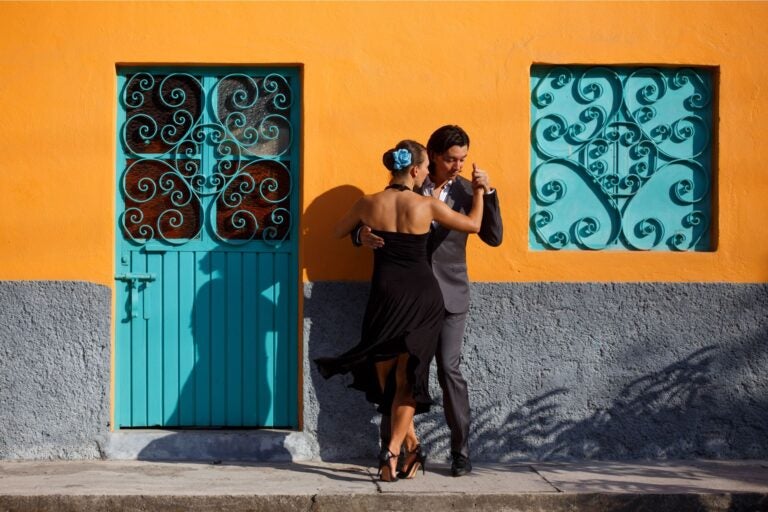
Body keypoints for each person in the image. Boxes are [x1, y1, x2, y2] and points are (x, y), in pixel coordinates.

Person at [315, 139, 485, 482]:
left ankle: (401, 450)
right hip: (423, 299)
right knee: (407, 381)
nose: (424, 173)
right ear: (414, 170)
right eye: (423, 168)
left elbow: (336, 231)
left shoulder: (367, 203)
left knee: (390, 380)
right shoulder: (426, 206)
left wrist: (362, 233)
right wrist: (480, 192)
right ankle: (399, 449)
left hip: (383, 297)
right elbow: (474, 225)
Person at [356, 125, 503, 476]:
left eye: (463, 159)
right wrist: (360, 235)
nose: (458, 165)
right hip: (408, 298)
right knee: (399, 371)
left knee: (449, 371)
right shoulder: (408, 181)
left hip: (450, 296)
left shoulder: (470, 192)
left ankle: (461, 452)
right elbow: (371, 217)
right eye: (452, 158)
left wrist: (489, 192)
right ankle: (394, 450)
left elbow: (493, 237)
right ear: (432, 156)